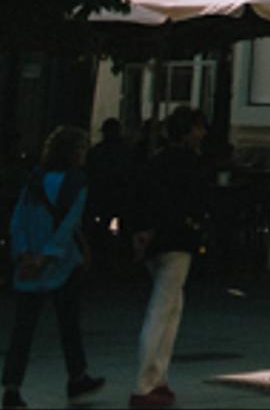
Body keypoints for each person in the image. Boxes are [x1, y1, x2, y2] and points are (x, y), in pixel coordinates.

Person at [3, 123, 103, 408]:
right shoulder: (76, 183)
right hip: (60, 263)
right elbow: (68, 225)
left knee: (23, 328)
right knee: (69, 323)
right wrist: (46, 256)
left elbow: (18, 219)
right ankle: (77, 375)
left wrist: (24, 254)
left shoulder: (34, 180)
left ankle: (12, 385)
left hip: (28, 261)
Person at [127, 106, 215, 410]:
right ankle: (144, 381)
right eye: (198, 128)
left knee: (171, 305)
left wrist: (141, 233)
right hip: (178, 239)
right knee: (163, 308)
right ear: (188, 131)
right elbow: (198, 199)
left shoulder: (156, 160)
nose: (202, 133)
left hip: (154, 240)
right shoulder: (192, 163)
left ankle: (158, 375)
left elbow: (139, 196)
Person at [83, 119, 130, 268]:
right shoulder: (126, 151)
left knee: (100, 230)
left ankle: (102, 258)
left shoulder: (96, 152)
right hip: (120, 195)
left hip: (101, 196)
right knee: (122, 230)